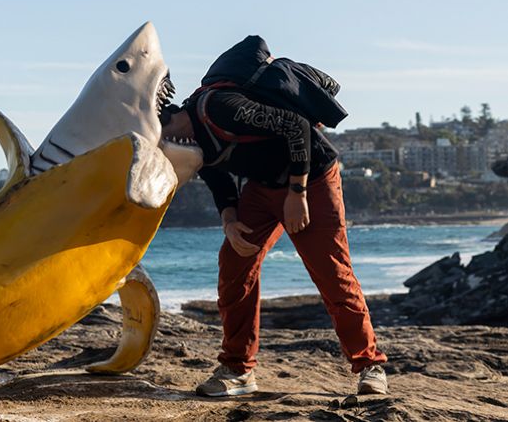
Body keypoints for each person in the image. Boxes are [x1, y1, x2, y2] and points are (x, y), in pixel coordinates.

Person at [160, 36, 388, 397]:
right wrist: (230, 221)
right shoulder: (194, 145)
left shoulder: (221, 107)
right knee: (235, 265)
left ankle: (369, 366)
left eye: (161, 139)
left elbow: (296, 127)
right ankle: (237, 370)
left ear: (170, 118)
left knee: (332, 272)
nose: (163, 149)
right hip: (263, 188)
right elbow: (219, 180)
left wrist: (297, 194)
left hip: (311, 178)